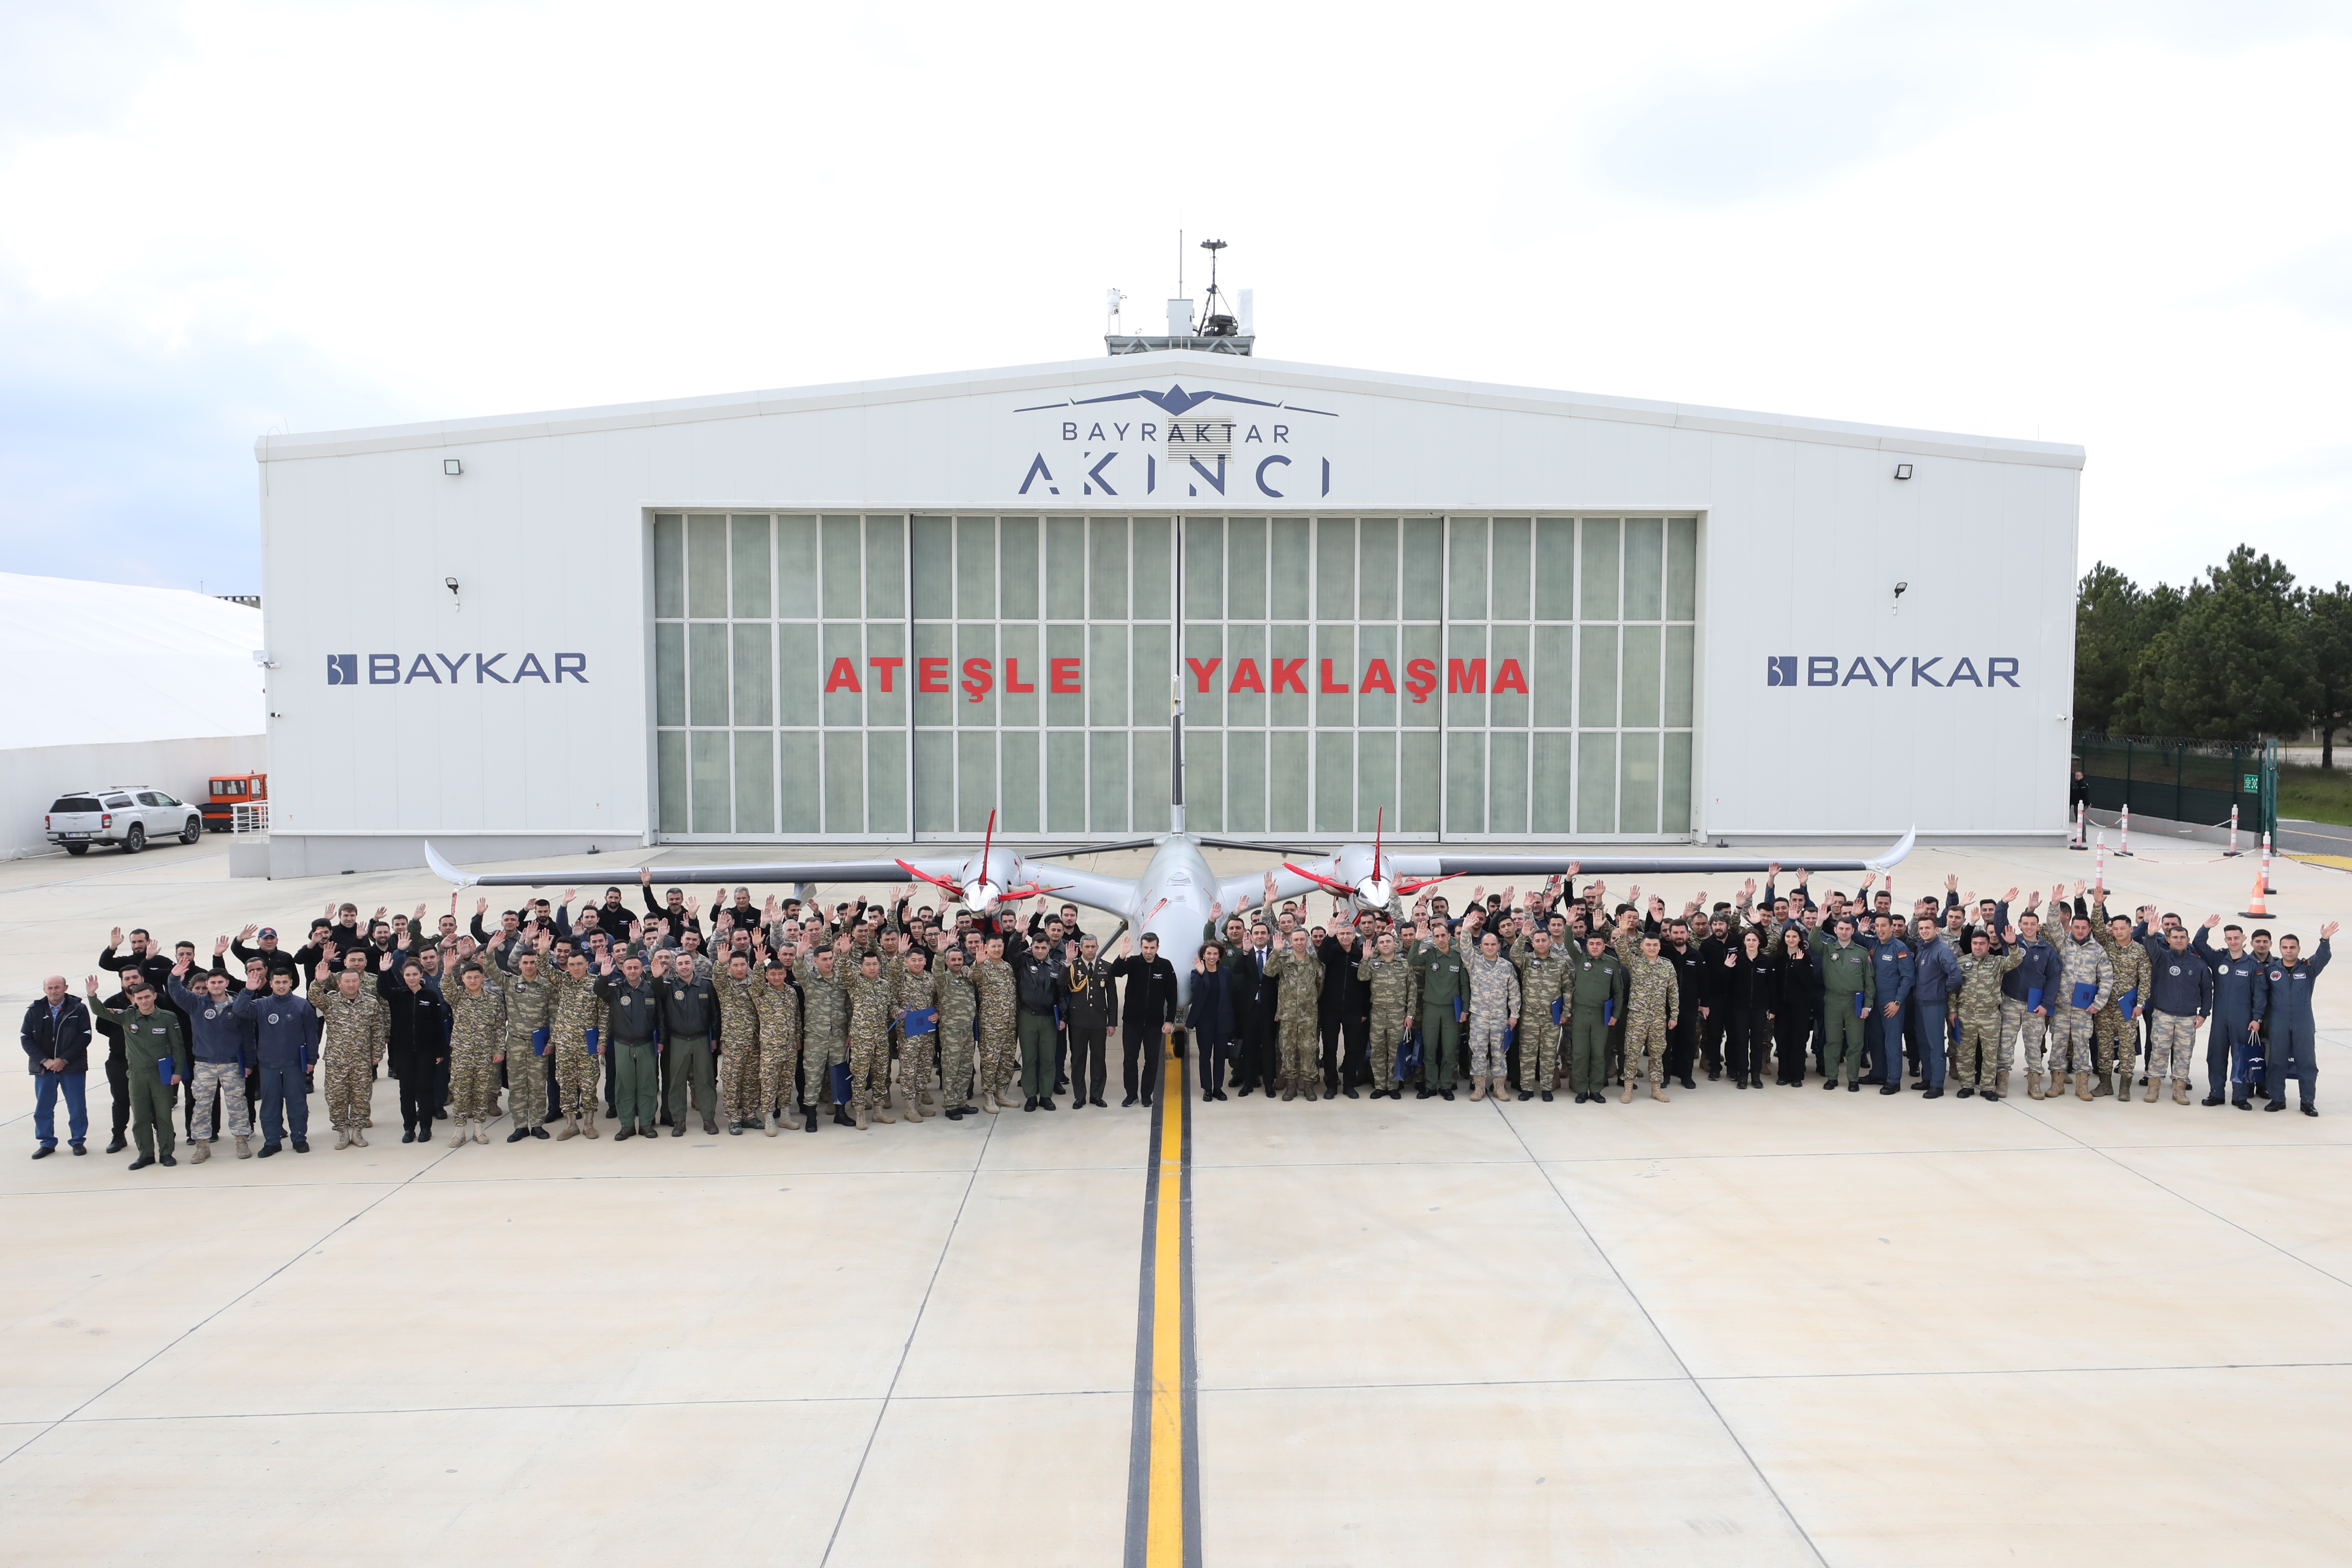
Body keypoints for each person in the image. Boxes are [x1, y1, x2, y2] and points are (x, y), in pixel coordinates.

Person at [85, 977, 186, 1167]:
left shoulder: (167, 1017)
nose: (144, 1001)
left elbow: (178, 1046)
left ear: (155, 996)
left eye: (147, 997)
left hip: (160, 1073)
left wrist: (178, 1071)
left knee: (164, 1116)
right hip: (137, 1074)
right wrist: (92, 995)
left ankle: (166, 1153)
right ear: (134, 999)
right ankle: (146, 1154)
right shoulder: (127, 1017)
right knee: (140, 1117)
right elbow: (101, 1012)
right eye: (139, 998)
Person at [168, 956, 254, 1161]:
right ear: (207, 984)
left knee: (237, 1104)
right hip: (205, 1064)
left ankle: (242, 1141)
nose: (216, 986)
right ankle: (202, 1146)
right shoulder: (196, 1003)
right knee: (202, 1105)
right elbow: (177, 994)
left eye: (220, 982)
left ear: (227, 983)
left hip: (232, 1063)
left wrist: (249, 1063)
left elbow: (248, 1036)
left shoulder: (238, 1006)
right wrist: (174, 977)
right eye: (212, 982)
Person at [230, 969, 321, 1153]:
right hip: (268, 1063)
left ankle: (299, 1139)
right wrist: (248, 990)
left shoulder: (302, 1005)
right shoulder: (261, 1005)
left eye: (285, 982)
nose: (281, 986)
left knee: (297, 1103)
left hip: (294, 1062)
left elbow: (312, 1034)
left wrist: (312, 1058)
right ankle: (272, 1142)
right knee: (270, 1103)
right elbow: (239, 1010)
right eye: (277, 982)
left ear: (291, 983)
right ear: (271, 984)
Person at [373, 953, 450, 1145]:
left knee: (425, 1089)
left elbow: (438, 1026)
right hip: (403, 1052)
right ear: (403, 976)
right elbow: (383, 990)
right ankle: (409, 1128)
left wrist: (440, 1052)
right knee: (406, 1090)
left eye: (415, 974)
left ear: (421, 975)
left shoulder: (430, 996)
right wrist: (383, 972)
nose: (411, 978)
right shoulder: (398, 995)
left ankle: (426, 1128)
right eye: (408, 975)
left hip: (426, 1052)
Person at [308, 963, 384, 1148]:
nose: (351, 985)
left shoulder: (370, 1003)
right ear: (340, 984)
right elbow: (314, 998)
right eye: (347, 981)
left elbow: (378, 1029)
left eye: (355, 981)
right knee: (336, 1097)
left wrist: (377, 1053)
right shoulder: (331, 1002)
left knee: (361, 1097)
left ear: (360, 983)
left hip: (362, 1060)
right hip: (337, 1061)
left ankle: (358, 1131)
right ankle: (342, 1131)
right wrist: (319, 982)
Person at [2261, 925, 2334, 1115]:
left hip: (2304, 1021)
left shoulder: (2308, 969)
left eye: (2292, 947)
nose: (2289, 951)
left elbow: (2323, 958)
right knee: (2277, 1061)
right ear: (2280, 949)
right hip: (2279, 1021)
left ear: (2299, 949)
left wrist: (2324, 940)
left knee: (2307, 1062)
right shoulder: (2271, 971)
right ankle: (2277, 1098)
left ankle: (2308, 1101)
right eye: (2285, 948)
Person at [22, 975, 94, 1158]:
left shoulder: (78, 1008)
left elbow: (85, 1036)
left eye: (58, 987)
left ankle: (78, 1141)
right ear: (45, 990)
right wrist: (45, 1061)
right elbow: (26, 1038)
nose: (54, 991)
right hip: (44, 1069)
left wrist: (64, 1059)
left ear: (65, 987)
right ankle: (46, 1142)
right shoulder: (34, 1010)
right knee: (43, 1107)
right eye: (50, 988)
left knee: (77, 1106)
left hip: (72, 1067)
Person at [2142, 926, 2213, 1105]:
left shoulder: (2199, 964)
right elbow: (2151, 947)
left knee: (2184, 1054)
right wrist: (2151, 934)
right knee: (2158, 1051)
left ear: (2188, 940)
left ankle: (2180, 1090)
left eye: (2183, 937)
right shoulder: (2162, 958)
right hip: (2163, 1015)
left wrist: (2204, 1013)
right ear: (2168, 940)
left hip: (2188, 1018)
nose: (2179, 940)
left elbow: (2207, 990)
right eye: (2175, 937)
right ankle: (2154, 1088)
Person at [1949, 930, 2024, 1100]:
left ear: (1989, 946)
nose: (1978, 947)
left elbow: (2016, 960)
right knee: (1965, 1052)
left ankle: (1987, 1087)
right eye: (1975, 943)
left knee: (1990, 1054)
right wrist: (1952, 1011)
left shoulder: (1997, 963)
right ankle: (1967, 1085)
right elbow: (1953, 989)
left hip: (1990, 1015)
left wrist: (2013, 945)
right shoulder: (1962, 963)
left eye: (1982, 944)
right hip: (1966, 1014)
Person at [652, 947, 719, 1136]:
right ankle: (679, 1121)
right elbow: (657, 992)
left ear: (694, 965)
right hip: (678, 1040)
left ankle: (709, 1119)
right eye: (680, 964)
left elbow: (715, 1015)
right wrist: (657, 978)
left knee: (705, 1081)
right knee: (677, 1082)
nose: (683, 967)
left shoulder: (706, 985)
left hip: (701, 1039)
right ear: (676, 966)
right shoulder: (669, 985)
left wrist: (715, 1039)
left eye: (687, 963)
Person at [596, 951, 662, 1141]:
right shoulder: (615, 989)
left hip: (646, 1044)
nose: (633, 971)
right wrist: (603, 976)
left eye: (636, 968)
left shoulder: (651, 989)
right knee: (624, 1086)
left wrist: (661, 1041)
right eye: (629, 968)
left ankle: (647, 1124)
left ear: (643, 969)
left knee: (647, 1085)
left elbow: (662, 1013)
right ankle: (627, 1126)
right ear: (622, 970)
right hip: (623, 1044)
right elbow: (600, 991)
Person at [1110, 931, 1179, 1107]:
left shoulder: (1165, 966)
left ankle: (1147, 1094)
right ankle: (1131, 1095)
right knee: (1130, 1060)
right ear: (1141, 947)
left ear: (1158, 948)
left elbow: (1172, 995)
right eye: (1146, 948)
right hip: (1132, 1022)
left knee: (1152, 1060)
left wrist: (1169, 1020)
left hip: (1155, 1024)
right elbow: (1115, 973)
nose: (1149, 951)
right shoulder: (1132, 963)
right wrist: (1123, 955)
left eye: (1152, 948)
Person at [440, 960, 505, 1146]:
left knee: (481, 1092)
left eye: (477, 977)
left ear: (483, 978)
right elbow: (447, 988)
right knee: (460, 1093)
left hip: (485, 1054)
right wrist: (447, 969)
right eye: (469, 978)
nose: (474, 980)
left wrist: (500, 1050)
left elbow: (500, 1027)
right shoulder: (459, 997)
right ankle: (459, 1130)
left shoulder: (493, 1000)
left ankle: (479, 1129)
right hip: (463, 1054)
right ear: (463, 979)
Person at [1408, 917, 1466, 1100]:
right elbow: (1412, 960)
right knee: (1430, 1048)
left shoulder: (1458, 957)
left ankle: (1447, 1086)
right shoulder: (1430, 954)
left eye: (1443, 936)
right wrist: (1418, 939)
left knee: (1449, 1049)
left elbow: (1464, 986)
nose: (1441, 939)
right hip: (1431, 1008)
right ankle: (1431, 1085)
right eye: (1437, 936)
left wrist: (1465, 1009)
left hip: (1451, 1010)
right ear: (1433, 939)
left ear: (1450, 937)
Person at [1511, 926, 1572, 1101]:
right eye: (1537, 941)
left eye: (1544, 940)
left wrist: (1566, 1011)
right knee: (1528, 1053)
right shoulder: (1527, 960)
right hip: (1530, 1015)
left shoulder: (1560, 963)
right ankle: (1527, 1089)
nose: (1541, 943)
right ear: (1533, 943)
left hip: (1551, 1016)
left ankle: (1546, 1088)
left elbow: (1568, 988)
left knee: (1548, 1053)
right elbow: (1515, 954)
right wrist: (1523, 936)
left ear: (1550, 942)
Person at [1462, 930, 1522, 1102]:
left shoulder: (1506, 966)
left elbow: (1514, 992)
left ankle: (1499, 1087)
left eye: (1493, 944)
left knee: (1500, 1053)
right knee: (1479, 1052)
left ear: (1498, 946)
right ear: (1481, 947)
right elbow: (1465, 948)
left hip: (1500, 1017)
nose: (1490, 947)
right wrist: (1466, 930)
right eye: (1486, 945)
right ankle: (1479, 1087)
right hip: (1479, 1017)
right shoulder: (1474, 963)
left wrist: (1515, 1014)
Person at [1815, 917, 1874, 1092]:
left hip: (1855, 1001)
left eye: (1848, 929)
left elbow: (1869, 981)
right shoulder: (1828, 949)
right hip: (1833, 1001)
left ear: (1853, 931)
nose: (1844, 932)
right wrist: (1819, 923)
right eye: (1841, 929)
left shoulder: (1862, 953)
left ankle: (1853, 1079)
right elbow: (1812, 941)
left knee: (1856, 1043)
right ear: (1835, 931)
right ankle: (1832, 1077)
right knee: (1833, 1041)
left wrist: (1868, 1005)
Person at [1567, 931, 1626, 1104]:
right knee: (1580, 1054)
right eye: (1591, 944)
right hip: (1580, 1013)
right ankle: (1581, 1090)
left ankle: (1596, 1090)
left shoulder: (1612, 964)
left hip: (1601, 1015)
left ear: (1604, 946)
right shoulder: (1581, 960)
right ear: (1587, 946)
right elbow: (1568, 943)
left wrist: (1616, 1014)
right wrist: (1569, 925)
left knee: (1599, 1054)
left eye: (1598, 944)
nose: (1595, 947)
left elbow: (1618, 992)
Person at [1011, 933, 1063, 1112]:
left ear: (1049, 948)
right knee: (1030, 1058)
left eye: (1044, 948)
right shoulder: (1024, 962)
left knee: (1048, 1058)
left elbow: (1062, 994)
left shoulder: (1057, 966)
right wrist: (1018, 934)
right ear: (1031, 947)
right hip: (1028, 1016)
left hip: (1049, 1018)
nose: (1040, 951)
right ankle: (1031, 1097)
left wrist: (1063, 1017)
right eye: (1037, 947)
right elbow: (1012, 952)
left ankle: (1046, 1096)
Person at [1716, 928, 1771, 1090]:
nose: (1751, 943)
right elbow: (1723, 984)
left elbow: (1771, 987)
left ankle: (1756, 1075)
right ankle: (1742, 1075)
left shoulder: (1766, 961)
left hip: (1759, 1009)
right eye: (1748, 940)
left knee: (1757, 1043)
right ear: (1744, 942)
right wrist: (1726, 968)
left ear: (1759, 942)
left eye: (1754, 940)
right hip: (1739, 1008)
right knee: (1741, 1042)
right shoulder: (1736, 959)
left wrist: (1772, 1008)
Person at [1767, 924, 1817, 1086]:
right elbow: (1773, 986)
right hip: (1782, 1008)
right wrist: (1773, 1007)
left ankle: (1796, 1076)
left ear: (1800, 939)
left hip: (1800, 1008)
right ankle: (1783, 1074)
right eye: (1788, 937)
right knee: (1782, 1041)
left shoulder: (1806, 958)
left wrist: (1797, 965)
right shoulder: (1778, 958)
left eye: (1795, 937)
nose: (1791, 940)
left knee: (1798, 1041)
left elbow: (1809, 983)